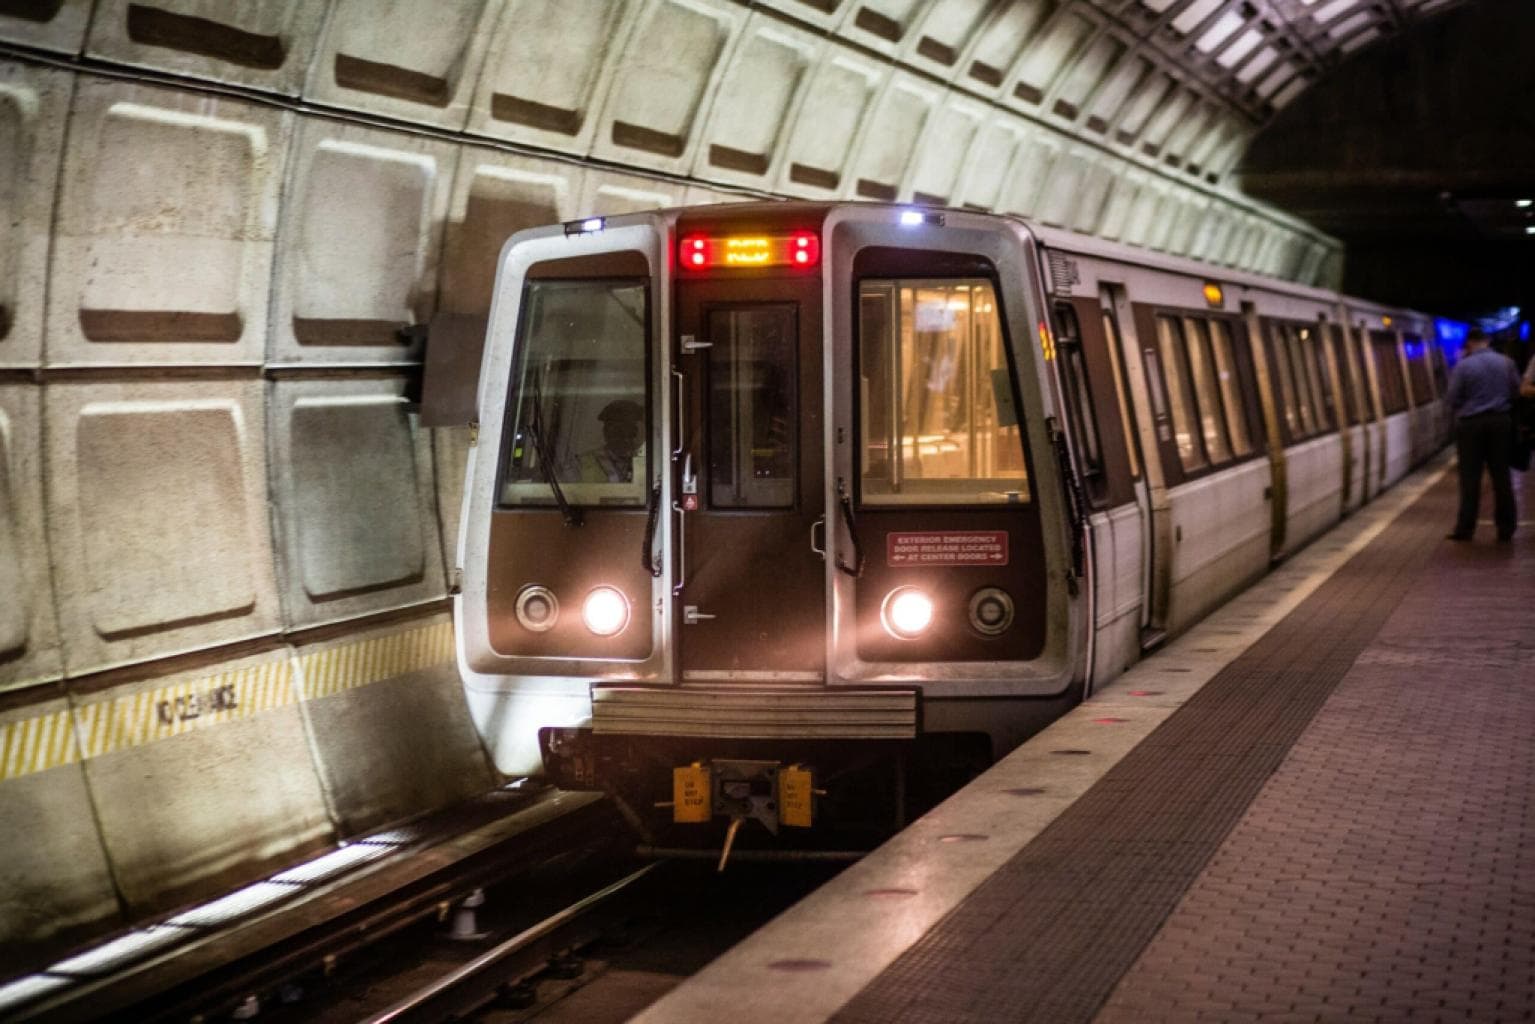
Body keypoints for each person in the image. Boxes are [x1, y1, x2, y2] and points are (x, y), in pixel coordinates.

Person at [1445, 327, 1520, 542]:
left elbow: (1452, 398)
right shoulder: (1506, 363)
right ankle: (1506, 528)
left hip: (1470, 425)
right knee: (1502, 477)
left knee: (1470, 479)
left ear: (1469, 343)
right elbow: (1515, 391)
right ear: (1487, 341)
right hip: (1500, 423)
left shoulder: (1463, 366)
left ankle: (1465, 529)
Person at [578, 399, 644, 483]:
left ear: (634, 431)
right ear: (606, 431)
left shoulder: (645, 458)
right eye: (617, 429)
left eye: (628, 427)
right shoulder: (586, 462)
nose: (624, 435)